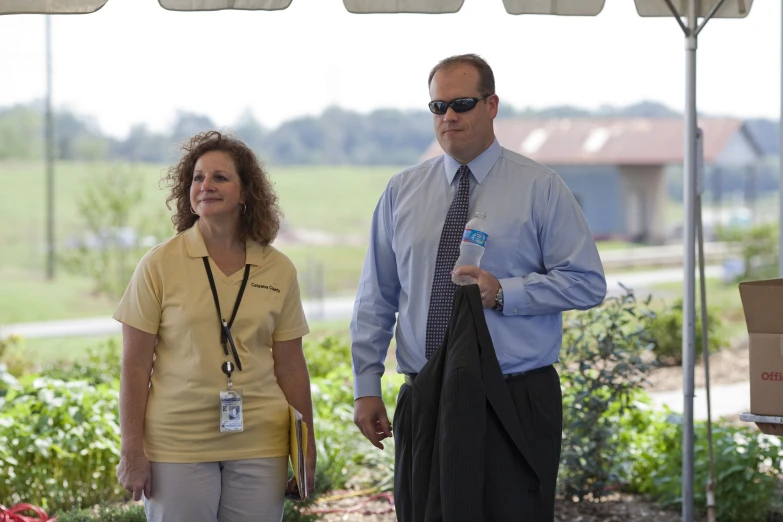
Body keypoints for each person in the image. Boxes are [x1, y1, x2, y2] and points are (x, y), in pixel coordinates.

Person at [350, 54, 607, 520]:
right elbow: (376, 297)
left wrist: (505, 292)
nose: (448, 117)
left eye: (462, 104)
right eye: (438, 107)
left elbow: (587, 282)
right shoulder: (401, 192)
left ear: (491, 105)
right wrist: (366, 385)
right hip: (426, 395)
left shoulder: (540, 187)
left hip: (514, 398)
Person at [114, 131, 316, 522]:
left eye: (220, 177)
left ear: (245, 193)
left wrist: (306, 449)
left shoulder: (279, 268)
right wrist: (132, 450)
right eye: (198, 178)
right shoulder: (159, 264)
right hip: (177, 444)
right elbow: (134, 366)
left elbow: (292, 366)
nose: (205, 186)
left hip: (261, 441)